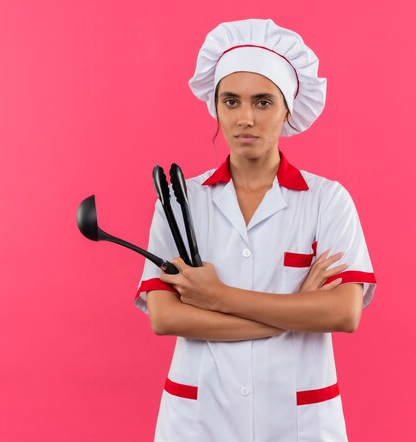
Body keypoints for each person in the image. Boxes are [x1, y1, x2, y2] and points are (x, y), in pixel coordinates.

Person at [134, 18, 377, 442]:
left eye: (263, 102)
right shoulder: (178, 201)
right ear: (216, 108)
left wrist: (217, 298)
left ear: (287, 108)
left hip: (297, 420)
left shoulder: (326, 200)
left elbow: (343, 313)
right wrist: (295, 311)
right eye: (231, 102)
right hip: (200, 418)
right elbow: (164, 315)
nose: (246, 118)